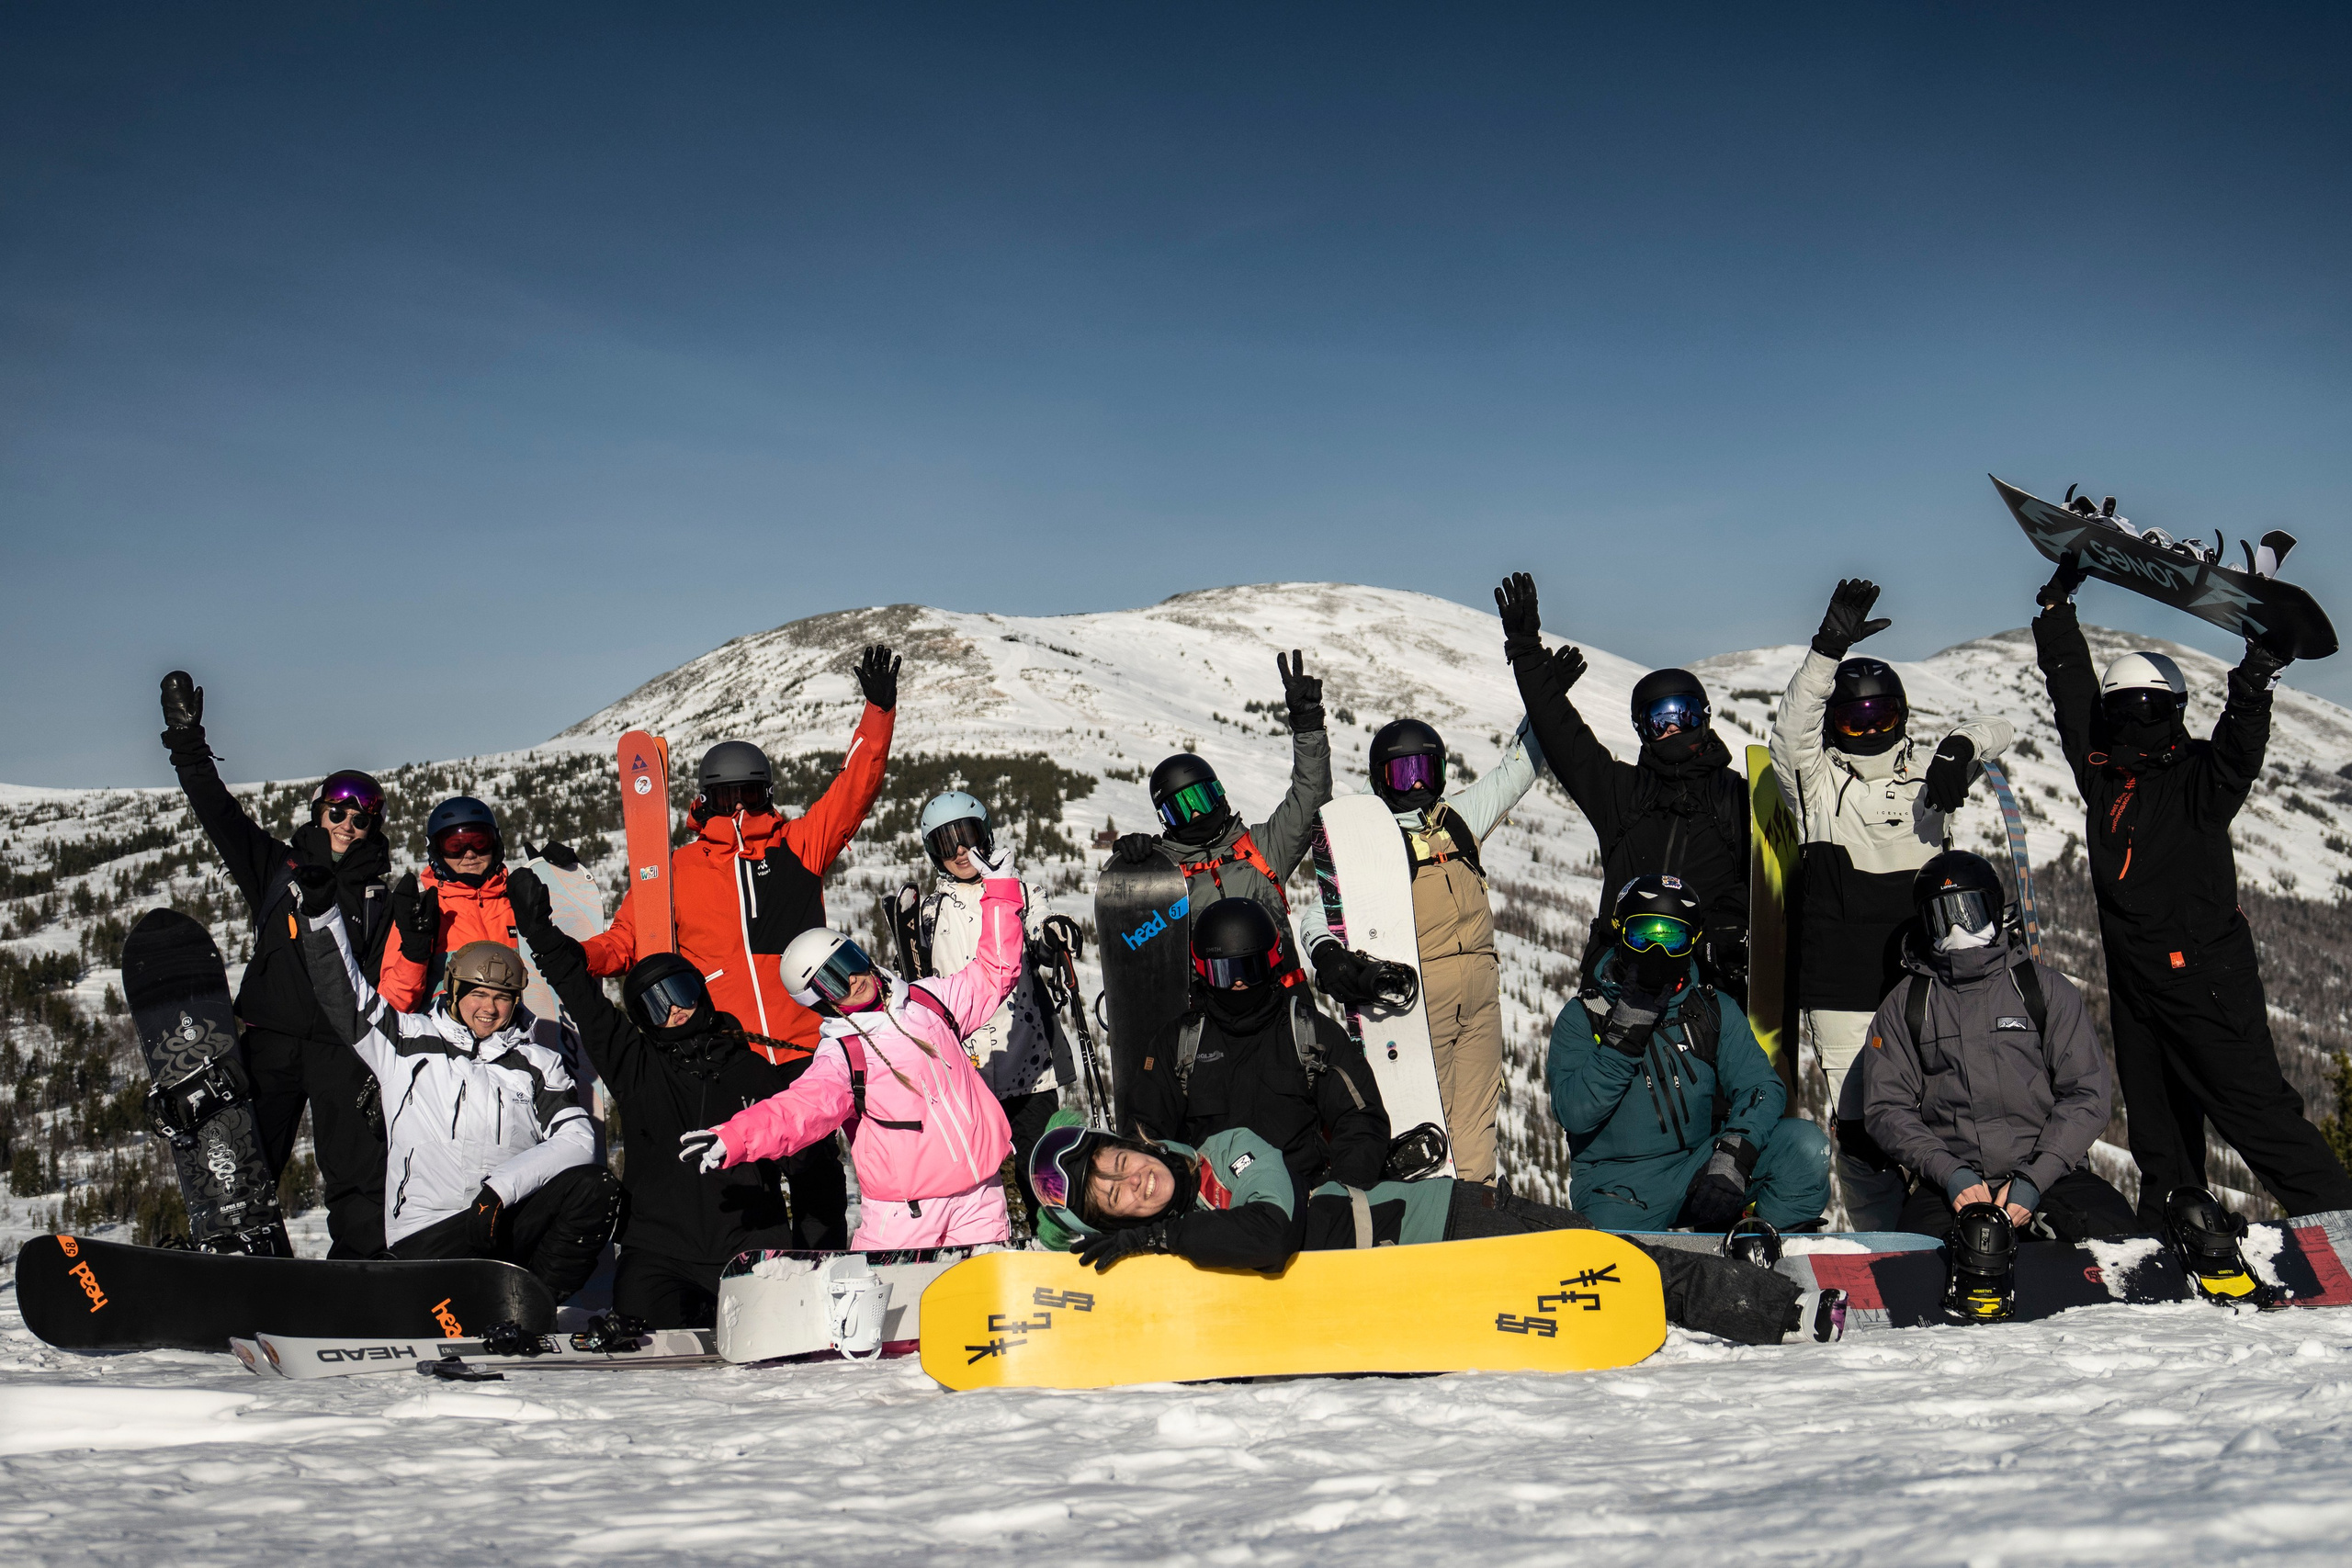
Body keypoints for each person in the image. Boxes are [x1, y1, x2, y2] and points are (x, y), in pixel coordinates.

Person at [2033, 551, 2352, 1223]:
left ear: (2174, 710)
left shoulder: (2199, 780)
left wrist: (2256, 678)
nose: (2134, 720)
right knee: (2160, 1136)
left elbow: (2240, 749)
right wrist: (2057, 611)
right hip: (2136, 985)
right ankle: (2172, 1232)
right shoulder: (2104, 777)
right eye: (2123, 708)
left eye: (2148, 707)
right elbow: (2072, 700)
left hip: (2206, 980)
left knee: (2256, 1115)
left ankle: (2338, 1219)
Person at [582, 642, 903, 1247]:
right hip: (730, 1051)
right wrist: (577, 958)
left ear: (766, 794)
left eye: (749, 795)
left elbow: (854, 788)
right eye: (727, 796)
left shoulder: (799, 846)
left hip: (805, 1044)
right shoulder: (676, 870)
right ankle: (755, 1270)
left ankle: (824, 1268)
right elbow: (626, 941)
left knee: (815, 1172)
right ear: (704, 799)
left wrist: (878, 713)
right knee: (747, 1178)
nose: (738, 807)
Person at [1028, 1116, 1847, 1346]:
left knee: (1610, 1262)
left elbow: (1270, 1236)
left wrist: (1156, 1241)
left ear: (1132, 1143)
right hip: (1422, 1305)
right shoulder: (1157, 1249)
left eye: (1116, 1162)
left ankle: (1782, 1309)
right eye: (1111, 1198)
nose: (1130, 1181)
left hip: (1443, 1227)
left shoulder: (1226, 1153)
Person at [1770, 580, 2015, 1228]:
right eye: (1856, 721)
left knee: (1945, 1114)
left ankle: (1954, 1226)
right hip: (1843, 985)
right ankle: (1883, 1243)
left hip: (1929, 978)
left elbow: (2003, 727)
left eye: (1881, 717)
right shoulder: (1817, 786)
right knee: (1861, 1128)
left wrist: (1960, 748)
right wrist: (1826, 651)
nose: (1870, 731)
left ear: (1901, 718)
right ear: (1835, 727)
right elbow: (1789, 735)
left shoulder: (1932, 781)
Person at [675, 840, 1026, 1249]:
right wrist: (735, 1138)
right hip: (907, 1215)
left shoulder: (929, 1002)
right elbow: (799, 1111)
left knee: (981, 1291)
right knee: (890, 1293)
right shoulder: (843, 1056)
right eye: (833, 981)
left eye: (850, 963)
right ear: (820, 1000)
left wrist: (1000, 890)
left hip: (980, 1197)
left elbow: (995, 970)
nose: (854, 980)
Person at [156, 671, 397, 1257]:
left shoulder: (382, 896)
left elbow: (399, 979)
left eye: (360, 819)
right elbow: (217, 812)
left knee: (359, 1177)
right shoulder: (275, 867)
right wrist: (187, 742)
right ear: (318, 813)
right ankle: (223, 1254)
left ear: (373, 828)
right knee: (241, 1160)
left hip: (345, 1048)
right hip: (272, 1041)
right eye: (337, 812)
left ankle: (361, 1274)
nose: (347, 826)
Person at [292, 874, 620, 1298]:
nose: (490, 1008)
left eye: (503, 997)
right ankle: (410, 1298)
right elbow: (344, 994)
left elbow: (578, 1141)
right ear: (453, 991)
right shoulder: (406, 1041)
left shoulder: (540, 1063)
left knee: (594, 1188)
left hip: (501, 1219)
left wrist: (499, 1190)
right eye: (478, 993)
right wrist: (321, 913)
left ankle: (535, 1307)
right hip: (428, 1234)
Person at [508, 866, 807, 1326]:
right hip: (659, 1250)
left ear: (701, 993)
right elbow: (583, 998)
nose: (674, 1010)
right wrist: (540, 934)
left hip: (750, 1245)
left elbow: (807, 1165)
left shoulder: (754, 1071)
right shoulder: (636, 1065)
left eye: (680, 992)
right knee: (641, 1338)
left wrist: (813, 1252)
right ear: (644, 1019)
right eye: (656, 1004)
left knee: (778, 1338)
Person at [1299, 715, 1545, 1185]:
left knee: (1476, 1122)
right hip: (1420, 1004)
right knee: (1426, 1122)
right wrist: (1328, 953)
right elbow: (1317, 916)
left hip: (1480, 1000)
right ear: (1381, 779)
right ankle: (1428, 1209)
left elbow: (1515, 773)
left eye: (1425, 771)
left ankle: (1476, 1208)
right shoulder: (1372, 840)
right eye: (1403, 773)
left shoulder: (1458, 819)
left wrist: (1543, 708)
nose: (1416, 784)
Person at [1860, 851, 2132, 1258]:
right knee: (1915, 1263)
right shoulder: (1907, 1005)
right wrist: (1949, 1172)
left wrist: (2035, 1177)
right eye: (1942, 918)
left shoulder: (2043, 990)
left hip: (2049, 1174)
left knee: (2119, 1243)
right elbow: (1886, 1107)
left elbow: (2087, 1094)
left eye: (1968, 913)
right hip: (1954, 1185)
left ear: (1993, 911)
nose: (1957, 930)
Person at [1495, 574, 1751, 1001]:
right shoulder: (1623, 794)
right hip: (1618, 981)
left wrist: (1733, 918)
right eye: (1658, 720)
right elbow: (1563, 737)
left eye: (1683, 714)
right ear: (1641, 730)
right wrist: (1525, 651)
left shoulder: (1735, 798)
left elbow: (1766, 880)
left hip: (1707, 985)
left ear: (1703, 717)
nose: (1672, 728)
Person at [1546, 874, 1830, 1232]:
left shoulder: (1709, 1010)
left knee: (1804, 1148)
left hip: (1700, 1167)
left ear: (1693, 942)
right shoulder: (1586, 1016)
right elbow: (1574, 1112)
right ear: (1620, 933)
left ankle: (1761, 1248)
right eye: (1643, 935)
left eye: (1672, 938)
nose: (1657, 951)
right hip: (1617, 1186)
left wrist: (1734, 1153)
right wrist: (1624, 1037)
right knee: (1615, 1259)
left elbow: (1762, 1086)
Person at [1131, 897, 1390, 1190]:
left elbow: (1361, 1120)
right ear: (1203, 971)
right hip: (1214, 1204)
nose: (1238, 983)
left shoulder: (1310, 1034)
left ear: (1272, 963)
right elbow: (1145, 1133)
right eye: (1224, 973)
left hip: (1303, 1198)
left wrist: (1339, 1194)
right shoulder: (1180, 1043)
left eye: (1249, 969)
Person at [1107, 652, 1331, 974]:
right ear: (1165, 820)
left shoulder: (1263, 849)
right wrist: (1135, 870)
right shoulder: (1167, 876)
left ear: (1219, 795)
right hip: (1208, 1002)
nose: (1196, 815)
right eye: (1181, 809)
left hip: (1280, 996)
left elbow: (1310, 798)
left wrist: (1308, 725)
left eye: (1201, 798)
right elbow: (1139, 941)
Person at [912, 789, 1076, 1224]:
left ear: (984, 835)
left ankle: (1055, 1237)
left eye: (966, 836)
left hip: (1028, 1062)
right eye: (946, 843)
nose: (959, 851)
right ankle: (980, 1242)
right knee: (972, 1172)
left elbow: (1040, 931)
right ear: (934, 853)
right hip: (966, 1069)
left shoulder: (1021, 892)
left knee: (1042, 1169)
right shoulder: (931, 912)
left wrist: (1053, 936)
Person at [376, 796, 519, 1013]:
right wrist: (414, 955)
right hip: (445, 1032)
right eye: (455, 846)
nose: (470, 854)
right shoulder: (424, 913)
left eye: (480, 842)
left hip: (519, 1029)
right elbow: (392, 1006)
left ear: (495, 844)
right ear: (437, 851)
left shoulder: (518, 903)